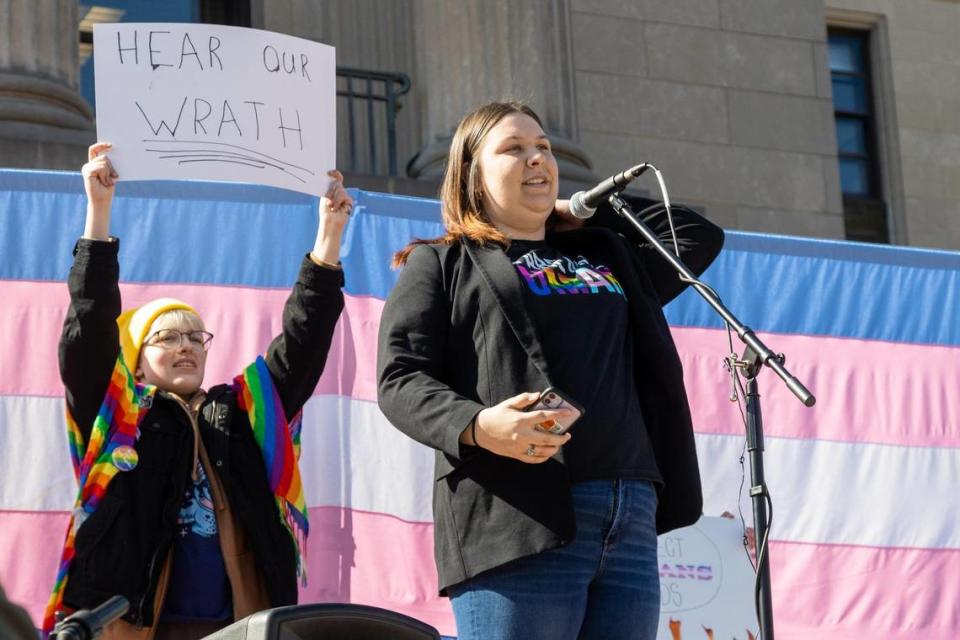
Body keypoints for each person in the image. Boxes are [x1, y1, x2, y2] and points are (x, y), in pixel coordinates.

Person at [377, 101, 724, 640]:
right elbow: (400, 378)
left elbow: (696, 235)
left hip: (628, 510)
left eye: (543, 147)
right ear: (471, 173)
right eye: (513, 149)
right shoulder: (443, 263)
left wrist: (584, 209)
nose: (537, 158)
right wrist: (477, 425)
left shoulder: (606, 255)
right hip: (519, 513)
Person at [43, 142, 353, 640]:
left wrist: (329, 237)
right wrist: (98, 213)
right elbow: (88, 329)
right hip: (136, 625)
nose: (186, 347)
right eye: (166, 337)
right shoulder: (119, 415)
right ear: (136, 361)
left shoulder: (241, 412)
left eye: (195, 337)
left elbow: (303, 342)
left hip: (237, 626)